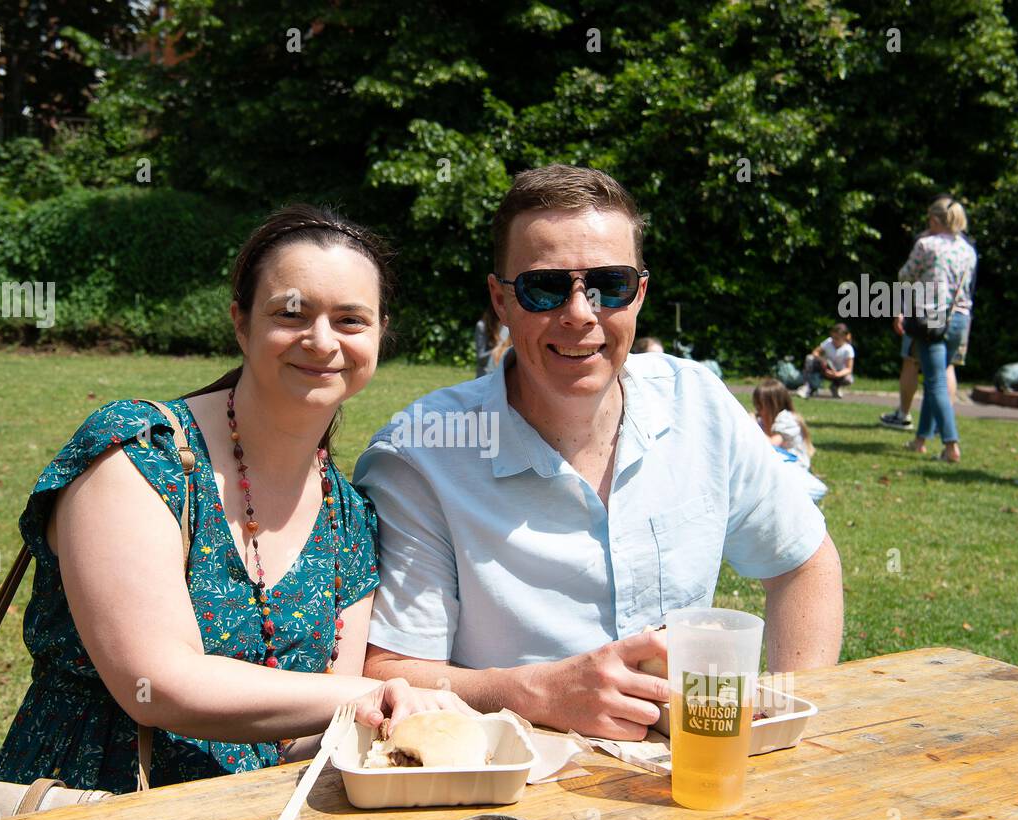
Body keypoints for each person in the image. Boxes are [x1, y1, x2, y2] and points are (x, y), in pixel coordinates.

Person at [0, 204, 475, 793]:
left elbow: (311, 727)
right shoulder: (143, 453)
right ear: (241, 323)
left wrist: (405, 723)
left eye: (351, 320)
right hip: (86, 808)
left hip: (248, 816)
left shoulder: (349, 518)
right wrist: (370, 692)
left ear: (378, 335)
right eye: (291, 313)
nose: (322, 341)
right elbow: (155, 684)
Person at [353, 165, 843, 742]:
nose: (581, 313)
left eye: (609, 284)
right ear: (500, 301)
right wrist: (537, 694)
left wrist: (789, 719)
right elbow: (390, 673)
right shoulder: (424, 454)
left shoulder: (698, 406)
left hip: (691, 769)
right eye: (544, 287)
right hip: (514, 790)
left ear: (639, 293)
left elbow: (803, 562)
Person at [880, 194, 979, 428]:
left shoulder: (927, 243)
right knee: (946, 369)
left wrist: (902, 308)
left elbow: (905, 276)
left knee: (921, 370)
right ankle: (927, 434)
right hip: (961, 315)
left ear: (934, 219)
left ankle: (947, 440)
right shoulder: (968, 249)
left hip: (929, 314)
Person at [799, 323, 855, 398]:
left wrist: (837, 374)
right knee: (810, 358)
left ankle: (835, 387)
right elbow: (815, 352)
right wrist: (822, 360)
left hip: (838, 372)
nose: (834, 340)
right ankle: (806, 386)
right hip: (825, 368)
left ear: (844, 337)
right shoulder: (828, 342)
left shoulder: (848, 349)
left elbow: (849, 369)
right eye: (833, 337)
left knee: (849, 379)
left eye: (837, 338)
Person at [475, 307, 511, 376]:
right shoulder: (482, 326)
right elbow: (480, 358)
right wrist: (497, 351)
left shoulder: (508, 326)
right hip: (486, 374)